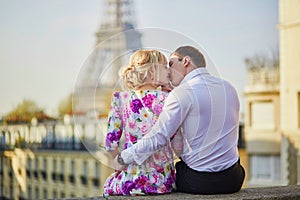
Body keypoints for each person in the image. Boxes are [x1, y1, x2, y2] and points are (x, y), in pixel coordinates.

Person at [114, 45, 245, 194]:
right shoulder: (229, 87)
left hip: (200, 183)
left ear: (186, 61)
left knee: (179, 167)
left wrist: (122, 158)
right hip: (234, 180)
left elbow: (158, 137)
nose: (168, 70)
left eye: (170, 64)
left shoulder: (181, 93)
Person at [103, 49, 182, 196]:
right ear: (152, 72)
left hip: (131, 180)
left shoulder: (120, 98)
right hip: (162, 182)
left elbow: (110, 143)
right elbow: (178, 146)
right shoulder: (168, 99)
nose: (169, 71)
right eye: (165, 67)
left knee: (108, 186)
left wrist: (119, 164)